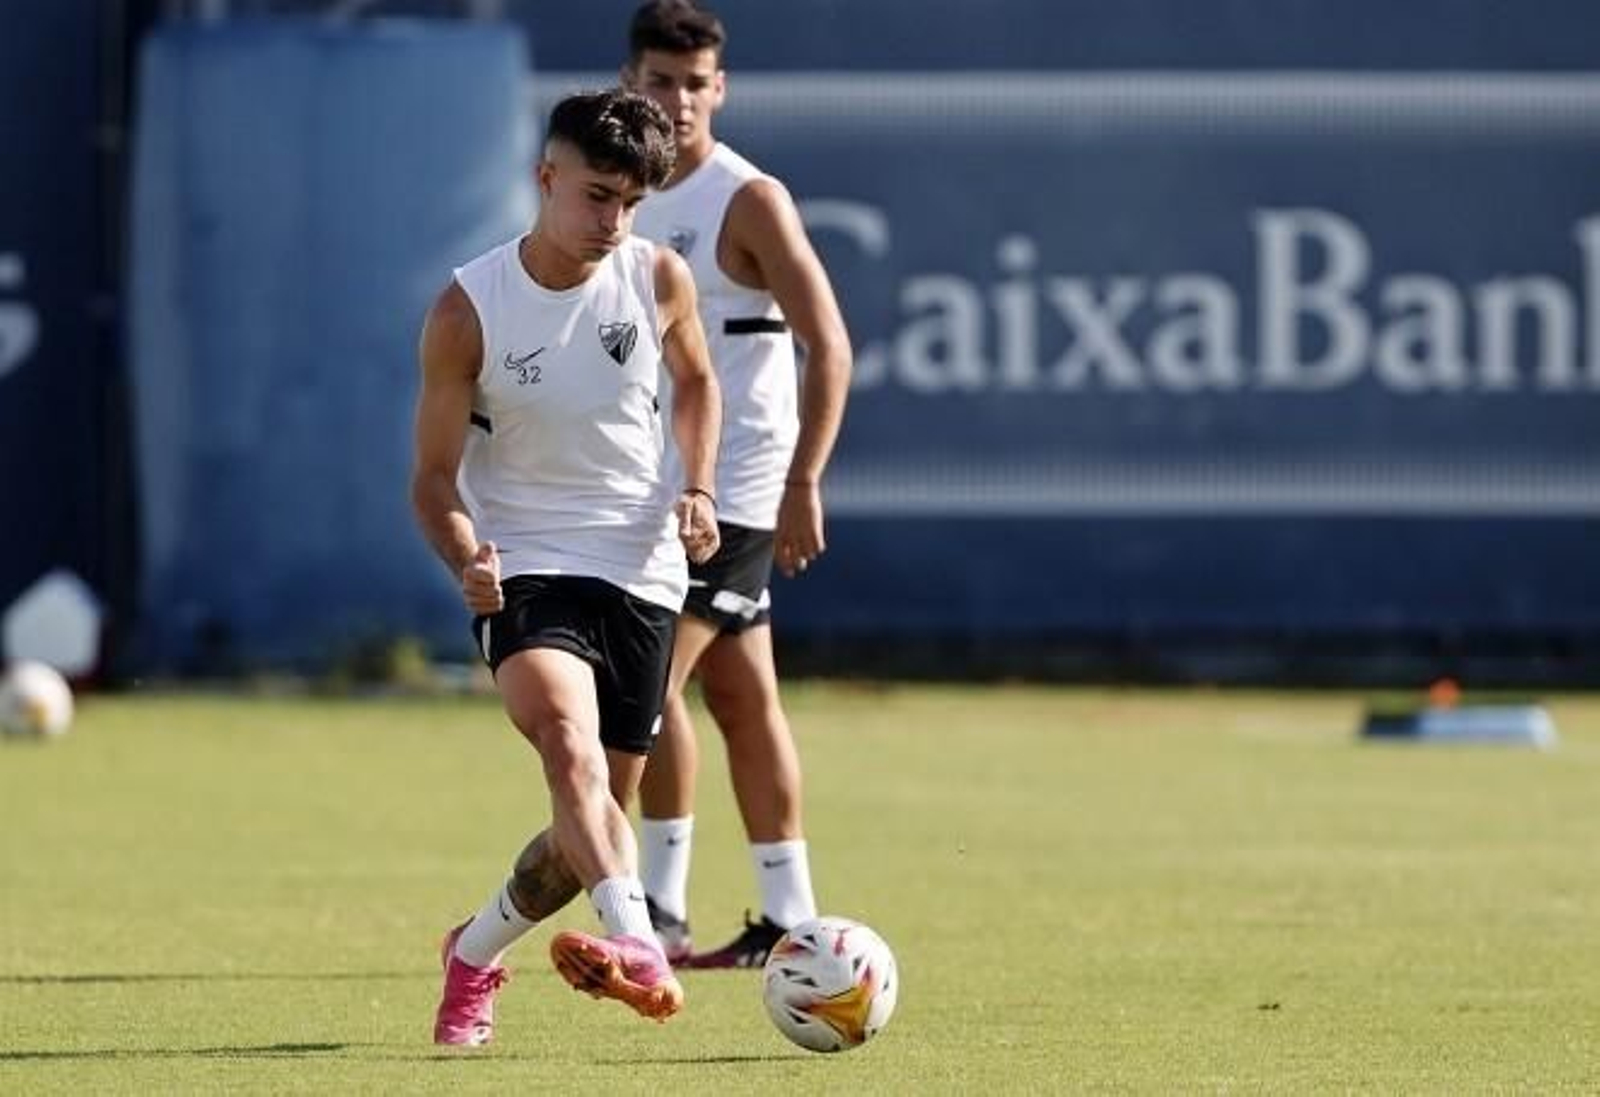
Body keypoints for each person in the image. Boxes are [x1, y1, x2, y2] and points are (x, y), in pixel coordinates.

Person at [411, 87, 722, 1046]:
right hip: (527, 566)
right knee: (569, 751)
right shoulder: (470, 307)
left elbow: (700, 382)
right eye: (595, 196)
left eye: (630, 203)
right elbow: (430, 478)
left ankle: (472, 952)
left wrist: (700, 487)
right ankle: (641, 944)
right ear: (544, 178)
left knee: (586, 827)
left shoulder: (659, 277)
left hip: (640, 568)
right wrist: (466, 555)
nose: (612, 221)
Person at [621, 0, 853, 969]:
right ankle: (787, 918)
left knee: (645, 681)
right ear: (631, 79)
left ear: (720, 88)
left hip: (742, 484)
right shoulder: (613, 191)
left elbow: (829, 343)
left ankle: (658, 910)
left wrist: (804, 479)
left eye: (693, 84)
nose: (676, 101)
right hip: (650, 480)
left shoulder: (748, 199)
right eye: (659, 81)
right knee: (741, 695)